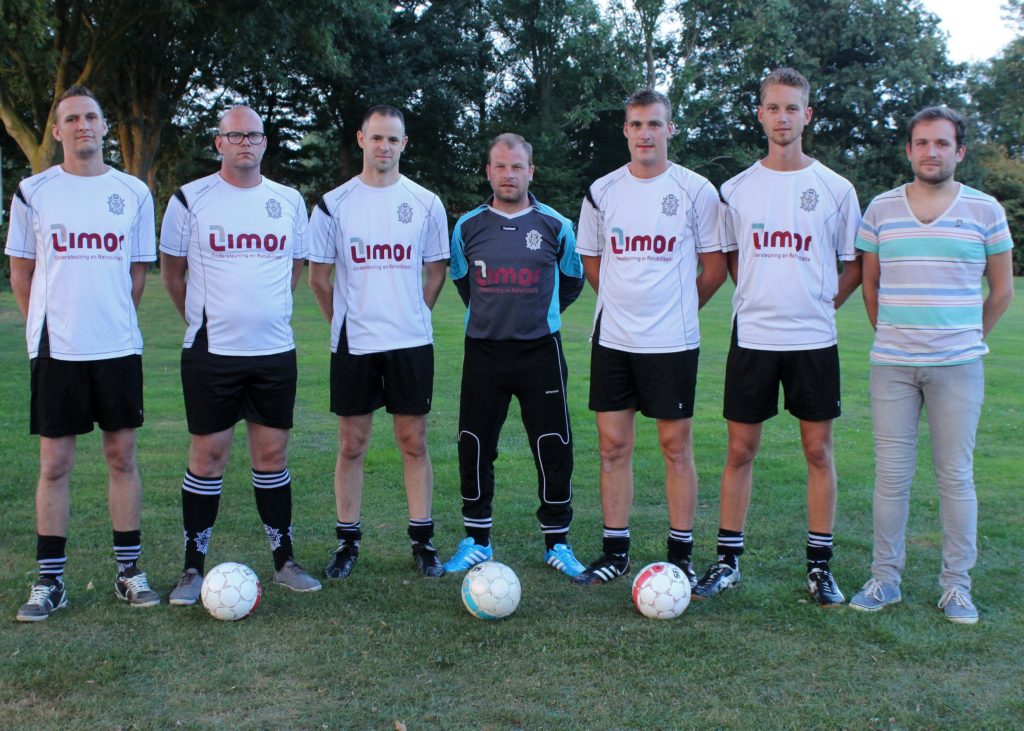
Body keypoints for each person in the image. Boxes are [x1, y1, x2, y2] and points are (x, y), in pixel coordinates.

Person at [692, 68, 861, 607]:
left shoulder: (836, 189)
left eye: (793, 108)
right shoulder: (736, 189)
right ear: (760, 114)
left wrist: (819, 300)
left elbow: (852, 264)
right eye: (773, 107)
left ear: (807, 115)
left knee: (818, 449)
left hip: (814, 339)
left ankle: (819, 568)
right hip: (755, 337)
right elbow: (734, 259)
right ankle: (727, 561)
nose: (783, 117)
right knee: (740, 450)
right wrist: (766, 295)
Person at [848, 106, 1014, 624]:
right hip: (893, 365)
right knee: (891, 478)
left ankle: (956, 586)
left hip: (959, 367)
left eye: (942, 143)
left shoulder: (985, 210)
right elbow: (869, 286)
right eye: (922, 143)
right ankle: (885, 580)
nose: (931, 152)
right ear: (910, 150)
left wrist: (965, 339)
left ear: (959, 151)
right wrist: (895, 335)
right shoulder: (880, 209)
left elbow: (1003, 289)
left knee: (956, 478)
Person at [7, 86, 160, 621]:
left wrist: (108, 317)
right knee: (56, 463)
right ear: (56, 131)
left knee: (122, 456)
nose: (82, 126)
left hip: (117, 345)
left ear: (103, 125)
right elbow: (21, 274)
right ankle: (50, 579)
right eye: (70, 119)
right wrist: (50, 327)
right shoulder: (32, 192)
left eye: (91, 117)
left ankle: (129, 571)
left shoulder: (134, 193)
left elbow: (137, 275)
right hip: (58, 348)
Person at [160, 105, 322, 605]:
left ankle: (284, 561)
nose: (245, 143)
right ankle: (191, 569)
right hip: (213, 352)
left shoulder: (289, 200)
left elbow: (295, 266)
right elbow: (172, 272)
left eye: (253, 135)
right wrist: (205, 319)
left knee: (272, 455)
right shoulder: (190, 198)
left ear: (265, 142)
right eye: (235, 136)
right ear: (219, 143)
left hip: (274, 351)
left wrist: (266, 313)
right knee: (208, 456)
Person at [571, 89, 727, 586]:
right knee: (612, 447)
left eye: (655, 124)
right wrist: (620, 300)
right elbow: (591, 258)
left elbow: (716, 266)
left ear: (670, 129)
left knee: (675, 448)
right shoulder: (601, 191)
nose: (645, 133)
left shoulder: (696, 190)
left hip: (672, 342)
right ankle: (615, 550)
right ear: (625, 130)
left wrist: (677, 306)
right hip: (614, 339)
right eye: (636, 124)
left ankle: (680, 554)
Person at [307, 105, 449, 579]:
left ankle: (423, 541)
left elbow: (435, 270)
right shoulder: (333, 203)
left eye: (394, 139)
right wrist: (344, 322)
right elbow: (319, 278)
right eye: (377, 138)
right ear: (362, 139)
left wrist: (410, 313)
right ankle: (347, 542)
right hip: (355, 342)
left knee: (414, 439)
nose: (385, 147)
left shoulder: (426, 203)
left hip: (410, 340)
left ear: (404, 144)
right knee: (352, 442)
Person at [443, 133, 587, 576]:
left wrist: (537, 316)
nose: (509, 174)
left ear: (531, 171)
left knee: (552, 444)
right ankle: (477, 539)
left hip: (540, 352)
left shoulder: (556, 224)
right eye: (500, 166)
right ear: (488, 172)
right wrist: (496, 314)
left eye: (517, 166)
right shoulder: (467, 226)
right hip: (484, 352)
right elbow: (464, 282)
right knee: (475, 444)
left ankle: (557, 542)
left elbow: (573, 280)